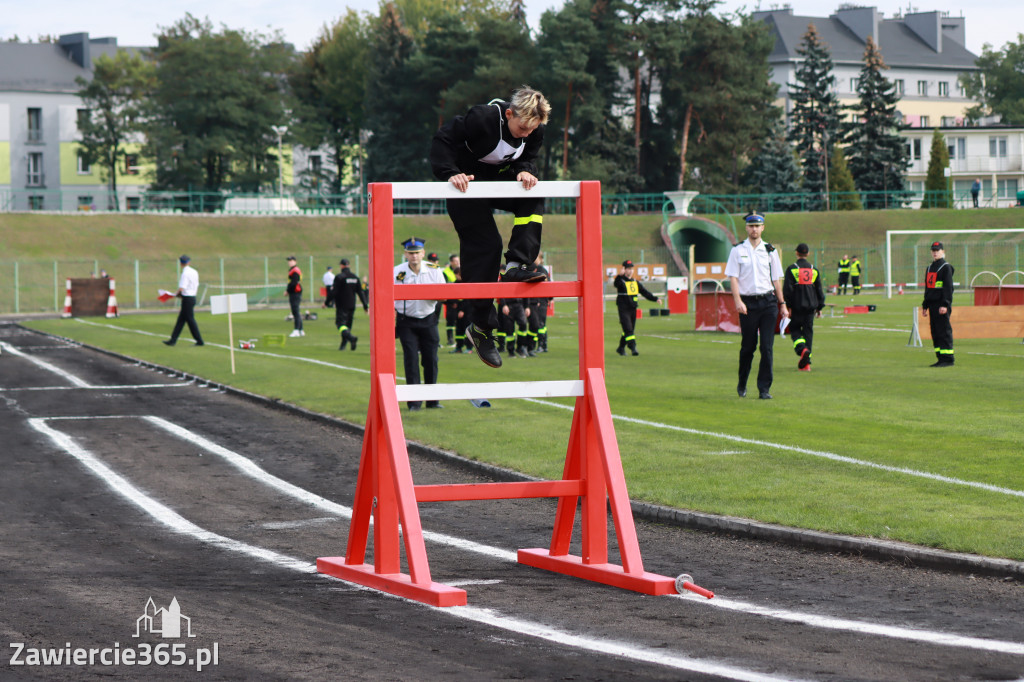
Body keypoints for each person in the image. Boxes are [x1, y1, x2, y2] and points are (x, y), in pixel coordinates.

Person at [429, 86, 552, 369]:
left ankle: (518, 264)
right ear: (509, 114)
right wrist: (451, 173)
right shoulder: (481, 119)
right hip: (465, 186)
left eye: (531, 130)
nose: (526, 133)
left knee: (533, 197)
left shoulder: (535, 131)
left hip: (497, 182)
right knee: (488, 246)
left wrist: (525, 170)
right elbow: (442, 140)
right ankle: (482, 326)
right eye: (521, 127)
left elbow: (526, 157)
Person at [726, 213, 789, 399]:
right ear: (746, 228)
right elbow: (733, 278)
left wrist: (783, 304)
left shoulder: (770, 251)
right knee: (748, 346)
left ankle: (764, 389)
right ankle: (742, 382)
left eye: (757, 226)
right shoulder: (737, 250)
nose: (754, 229)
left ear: (763, 228)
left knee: (767, 347)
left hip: (768, 303)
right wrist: (738, 301)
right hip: (748, 303)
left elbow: (776, 280)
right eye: (751, 226)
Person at [394, 237, 446, 410]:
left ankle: (432, 401)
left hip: (428, 319)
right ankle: (414, 402)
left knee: (431, 359)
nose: (414, 256)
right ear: (405, 254)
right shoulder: (397, 272)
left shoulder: (434, 270)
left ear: (423, 253)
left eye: (417, 253)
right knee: (411, 360)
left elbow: (444, 295)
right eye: (411, 253)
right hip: (406, 321)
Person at [782, 243, 825, 372]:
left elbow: (787, 290)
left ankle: (802, 349)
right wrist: (820, 307)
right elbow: (819, 290)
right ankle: (807, 364)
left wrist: (787, 306)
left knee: (794, 330)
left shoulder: (792, 269)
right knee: (808, 334)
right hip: (810, 308)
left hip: (796, 307)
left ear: (797, 253)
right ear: (808, 254)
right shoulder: (814, 270)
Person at [613, 260, 660, 356]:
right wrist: (619, 275)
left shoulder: (635, 282)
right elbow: (615, 284)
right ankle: (633, 347)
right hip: (623, 308)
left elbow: (644, 292)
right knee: (628, 329)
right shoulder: (621, 281)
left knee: (628, 330)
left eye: (631, 269)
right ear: (624, 270)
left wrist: (655, 299)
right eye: (628, 269)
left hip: (632, 308)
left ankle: (621, 348)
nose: (630, 271)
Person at [922, 241, 955, 367]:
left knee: (944, 331)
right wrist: (925, 305)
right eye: (933, 250)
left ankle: (948, 359)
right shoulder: (930, 268)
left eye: (938, 250)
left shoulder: (946, 267)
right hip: (932, 305)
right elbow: (928, 288)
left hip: (941, 305)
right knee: (935, 332)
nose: (935, 252)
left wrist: (945, 304)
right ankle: (940, 358)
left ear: (943, 251)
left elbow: (948, 288)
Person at [163, 255, 204, 347]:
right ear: (189, 262)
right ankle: (173, 340)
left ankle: (199, 340)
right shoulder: (194, 271)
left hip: (187, 298)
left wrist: (175, 294)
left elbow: (182, 288)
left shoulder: (185, 273)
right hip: (192, 296)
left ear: (181, 263)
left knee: (190, 319)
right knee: (181, 320)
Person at [334, 258, 368, 351]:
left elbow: (334, 292)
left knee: (340, 324)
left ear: (341, 266)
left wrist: (327, 302)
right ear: (349, 265)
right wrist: (365, 305)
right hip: (352, 305)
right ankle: (343, 345)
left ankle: (351, 338)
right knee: (348, 326)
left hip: (341, 305)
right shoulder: (355, 277)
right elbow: (360, 292)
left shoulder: (340, 277)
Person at [441, 254, 460, 346]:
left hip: (460, 301)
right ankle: (450, 339)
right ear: (451, 262)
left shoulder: (461, 270)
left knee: (460, 321)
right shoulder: (445, 272)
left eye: (458, 261)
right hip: (450, 301)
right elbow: (444, 288)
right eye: (455, 261)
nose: (457, 263)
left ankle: (460, 340)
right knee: (450, 321)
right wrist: (450, 302)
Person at [286, 256, 304, 337]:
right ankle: (300, 330)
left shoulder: (295, 271)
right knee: (296, 311)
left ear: (295, 261)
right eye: (289, 261)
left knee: (295, 311)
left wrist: (288, 291)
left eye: (291, 260)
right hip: (294, 292)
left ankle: (296, 330)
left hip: (295, 292)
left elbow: (293, 283)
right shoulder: (292, 270)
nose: (290, 262)